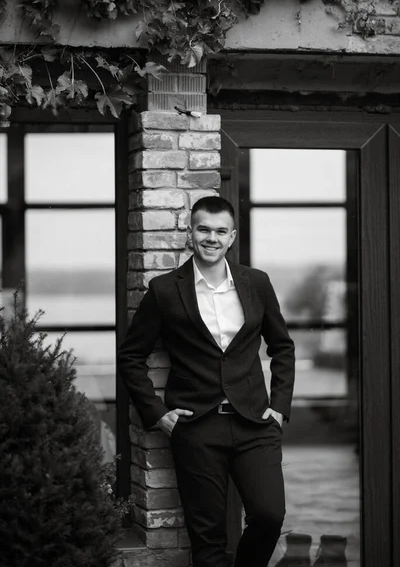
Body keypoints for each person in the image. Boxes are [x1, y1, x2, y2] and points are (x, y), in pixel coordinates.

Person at [117, 196, 295, 567]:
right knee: (208, 539)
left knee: (269, 516)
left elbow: (283, 347)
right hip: (197, 426)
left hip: (255, 424)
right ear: (190, 233)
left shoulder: (256, 283)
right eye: (203, 229)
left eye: (219, 231)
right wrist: (158, 414)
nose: (211, 238)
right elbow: (131, 356)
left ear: (231, 237)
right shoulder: (166, 290)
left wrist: (278, 407)